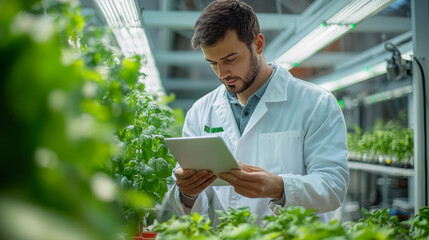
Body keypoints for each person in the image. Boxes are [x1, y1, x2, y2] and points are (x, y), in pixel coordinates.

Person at [160, 0, 349, 227]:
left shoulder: (316, 103)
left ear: (258, 44)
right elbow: (189, 206)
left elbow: (334, 186)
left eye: (230, 59)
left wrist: (279, 187)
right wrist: (187, 193)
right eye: (212, 63)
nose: (222, 73)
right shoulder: (200, 112)